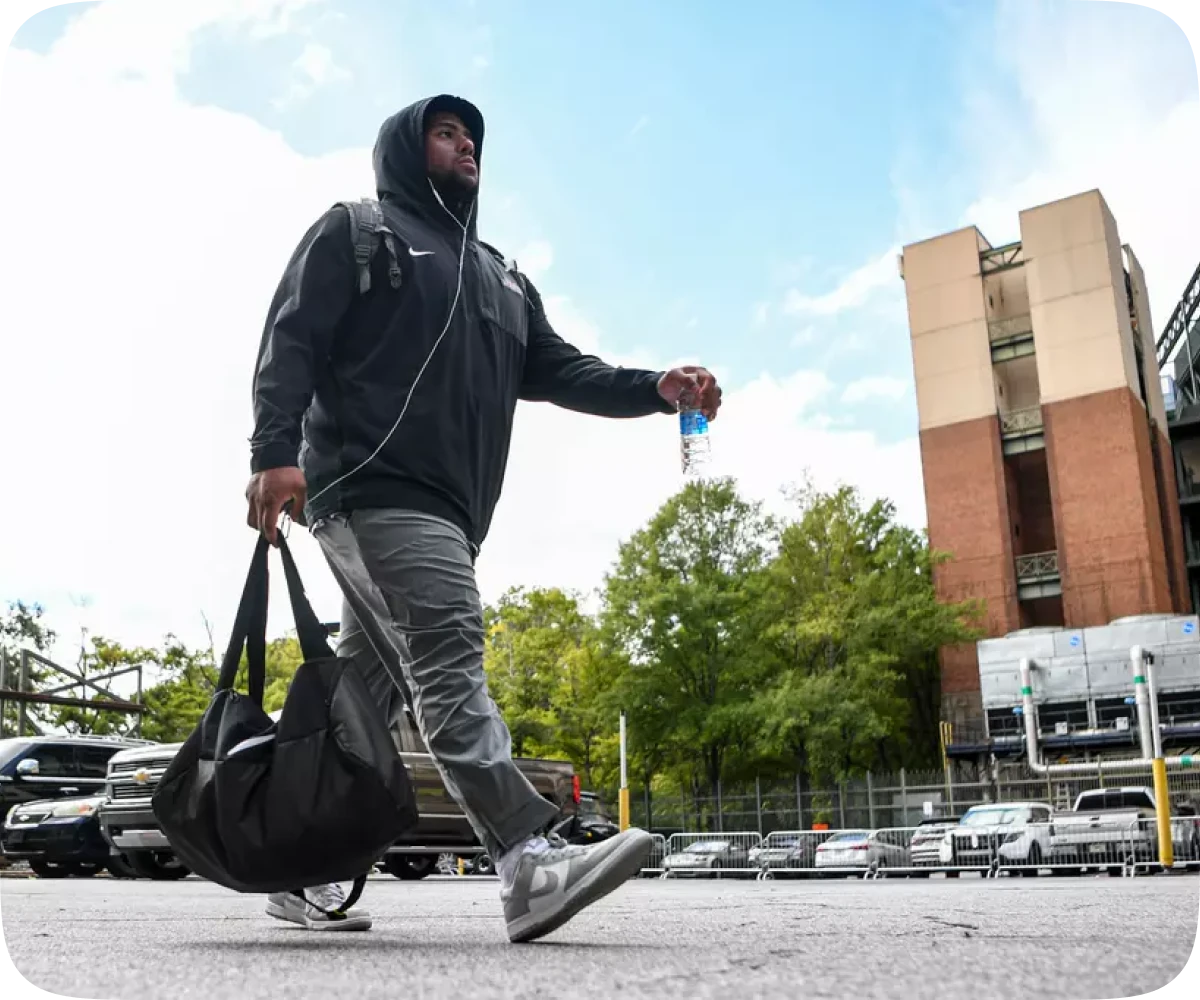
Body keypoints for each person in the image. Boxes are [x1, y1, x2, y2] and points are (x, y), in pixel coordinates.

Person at [244, 94, 722, 944]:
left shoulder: (500, 275)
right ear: (406, 147)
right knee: (447, 646)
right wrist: (272, 451)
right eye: (445, 133)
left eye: (473, 138)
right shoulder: (359, 230)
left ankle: (296, 866)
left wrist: (655, 388)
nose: (466, 146)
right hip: (370, 486)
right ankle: (526, 858)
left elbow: (561, 368)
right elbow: (293, 338)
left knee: (362, 692)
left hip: (453, 511)